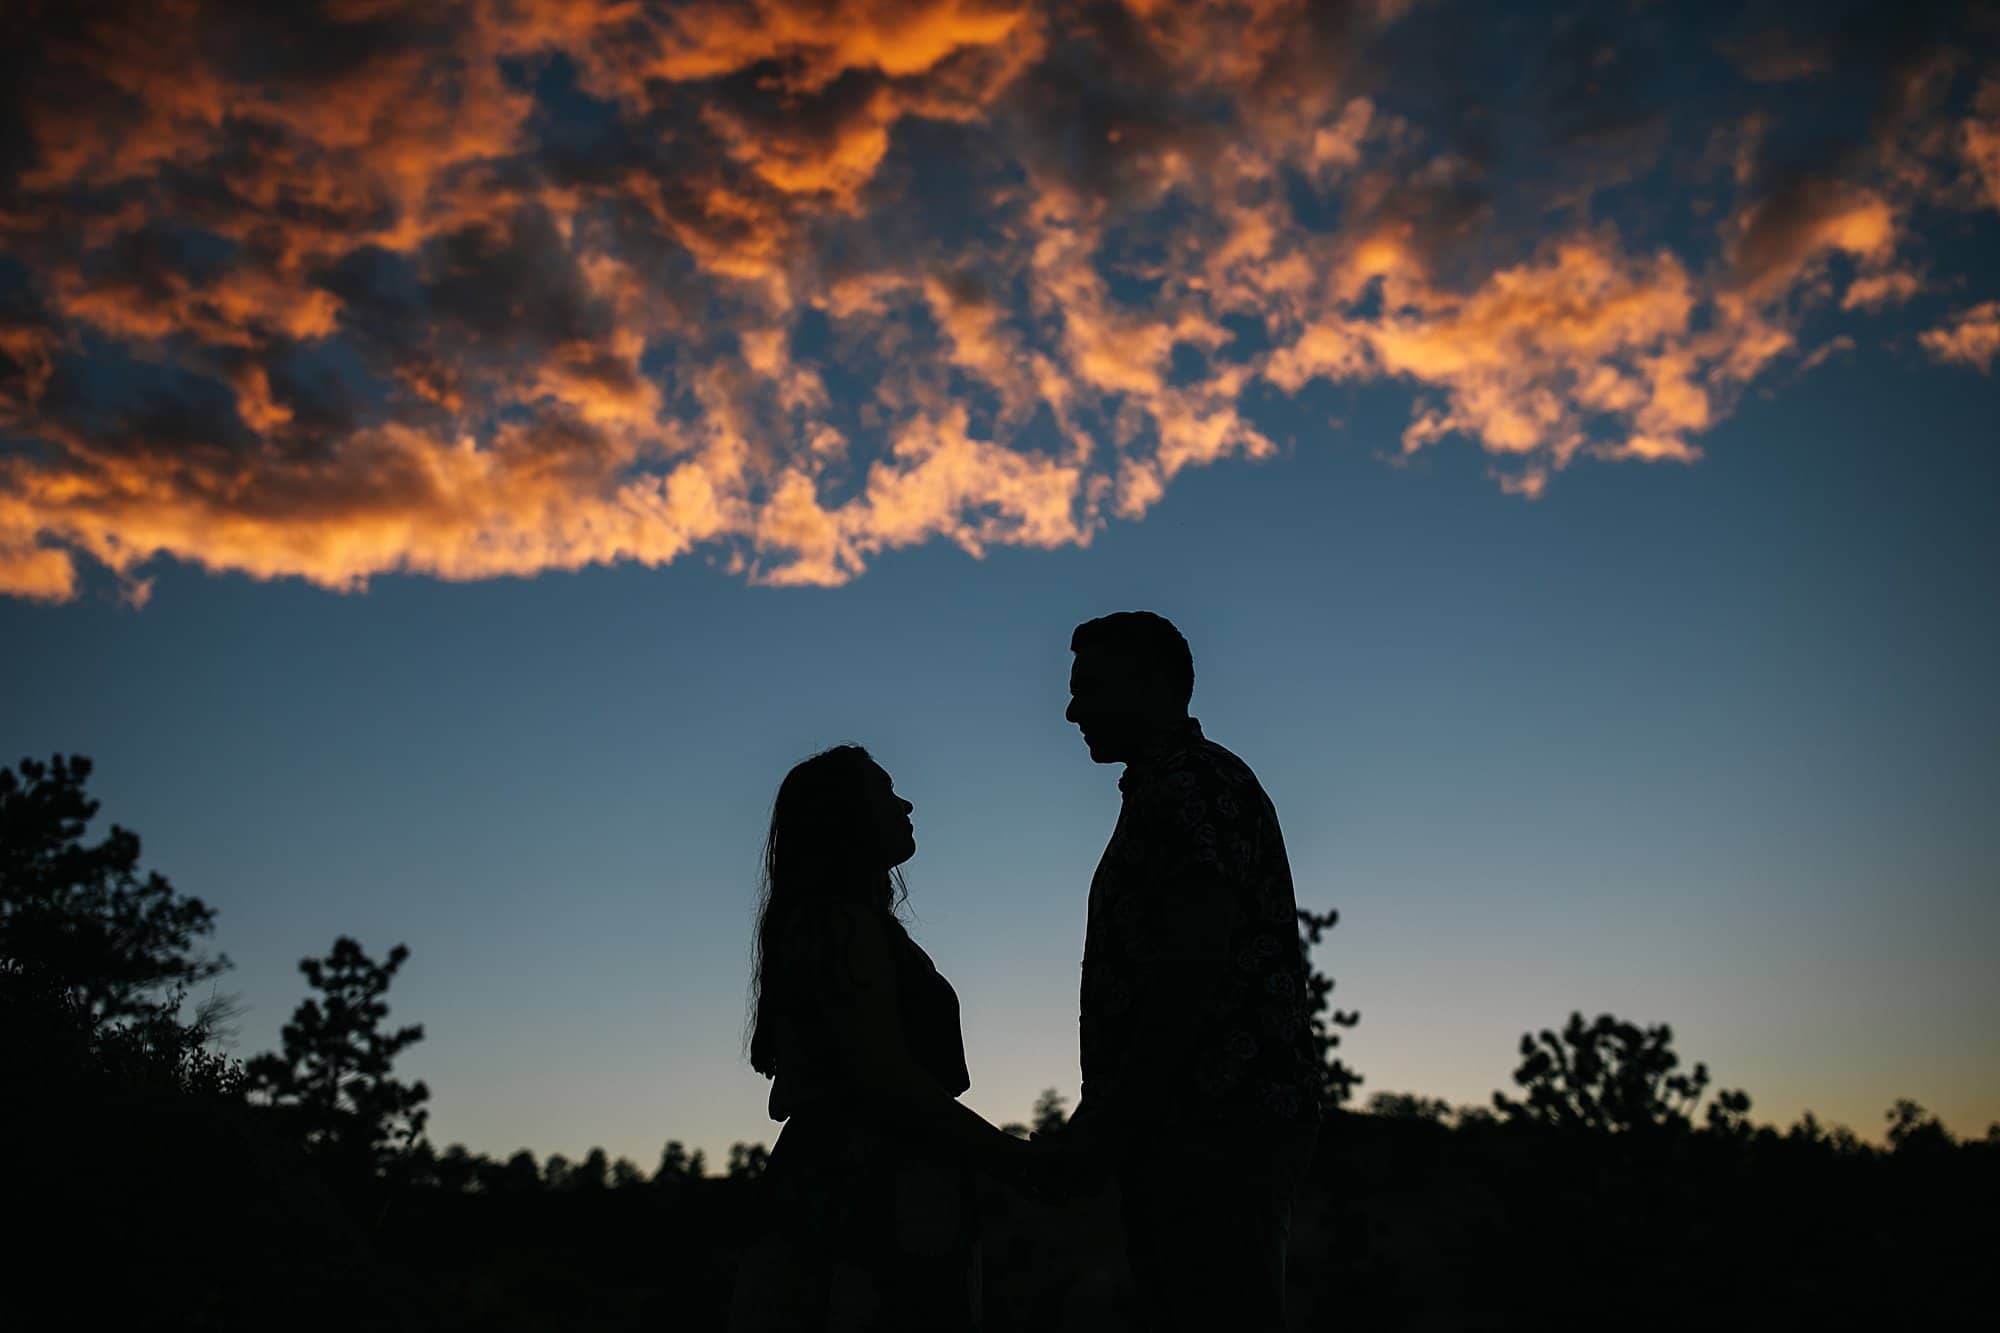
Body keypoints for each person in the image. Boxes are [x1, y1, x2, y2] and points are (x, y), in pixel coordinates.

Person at [1059, 611, 1322, 1333]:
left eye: (1090, 687)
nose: (1072, 708)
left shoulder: (1193, 786)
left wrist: (1114, 1109)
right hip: (1188, 1125)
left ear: (1149, 683)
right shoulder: (1170, 788)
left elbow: (1191, 963)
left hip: (1213, 1126)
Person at [733, 744, 1052, 1332]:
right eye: (886, 792)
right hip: (870, 1199)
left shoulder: (841, 927)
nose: (905, 804)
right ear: (846, 817)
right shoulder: (841, 927)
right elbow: (887, 1081)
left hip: (873, 1190)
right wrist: (1015, 1161)